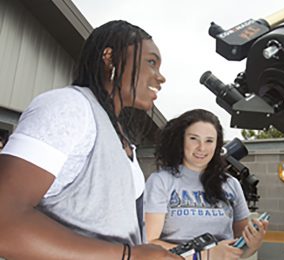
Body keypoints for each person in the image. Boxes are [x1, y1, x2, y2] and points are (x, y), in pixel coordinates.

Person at [0, 20, 181, 259]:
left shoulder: (118, 135)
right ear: (110, 57)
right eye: (151, 62)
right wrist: (130, 256)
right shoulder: (69, 106)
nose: (160, 77)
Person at [144, 109, 268, 260]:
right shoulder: (161, 181)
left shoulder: (231, 184)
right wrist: (204, 256)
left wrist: (253, 244)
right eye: (194, 139)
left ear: (217, 145)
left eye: (209, 140)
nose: (202, 148)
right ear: (181, 140)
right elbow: (149, 243)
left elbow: (238, 249)